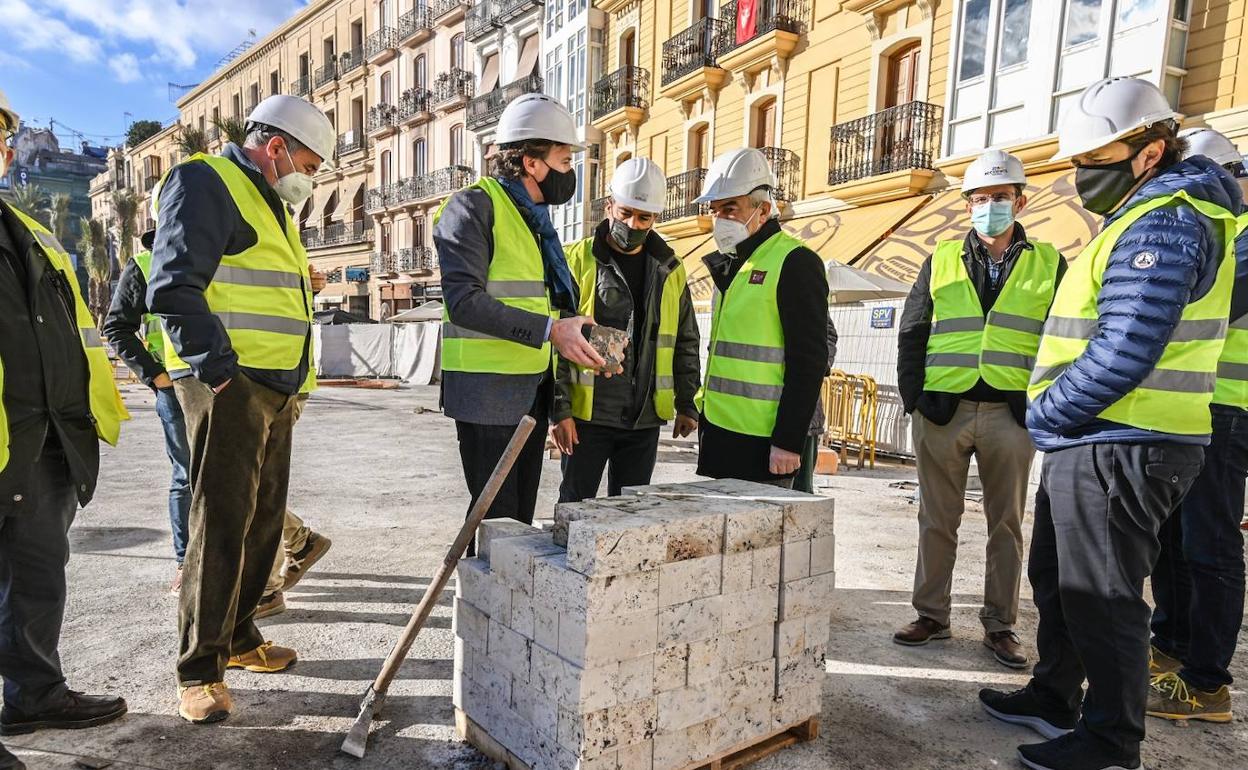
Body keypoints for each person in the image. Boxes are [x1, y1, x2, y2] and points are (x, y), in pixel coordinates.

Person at [979, 77, 1242, 770]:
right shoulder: (1139, 212)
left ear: (1148, 153)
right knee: (1061, 580)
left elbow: (1129, 344)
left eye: (1093, 159)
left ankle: (1109, 741)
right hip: (1097, 437)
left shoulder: (1167, 220)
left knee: (1105, 597)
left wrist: (1047, 413)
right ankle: (1054, 693)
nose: (1079, 175)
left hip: (1123, 438)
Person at [147, 94, 332, 724]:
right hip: (232, 385)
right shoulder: (204, 181)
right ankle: (198, 670)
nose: (313, 177)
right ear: (275, 147)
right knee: (221, 523)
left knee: (261, 522)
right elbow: (171, 286)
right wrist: (221, 373)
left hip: (277, 388)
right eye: (309, 161)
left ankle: (243, 638)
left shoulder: (273, 203)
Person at [894, 149, 1065, 669]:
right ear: (968, 204)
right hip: (944, 410)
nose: (990, 206)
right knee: (936, 520)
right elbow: (913, 332)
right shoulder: (941, 258)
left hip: (1012, 414)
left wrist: (1046, 404)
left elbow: (1065, 337)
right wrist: (914, 402)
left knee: (1006, 525)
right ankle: (932, 615)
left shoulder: (1050, 262)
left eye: (1001, 197)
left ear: (1021, 201)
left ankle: (1001, 625)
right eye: (981, 198)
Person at [104, 223, 334, 608]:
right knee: (199, 481)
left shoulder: (232, 255)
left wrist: (308, 286)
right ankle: (208, 563)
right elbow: (117, 327)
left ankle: (265, 581)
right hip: (182, 388)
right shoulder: (146, 263)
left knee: (240, 483)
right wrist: (157, 376)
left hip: (244, 385)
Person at [0, 88, 129, 767]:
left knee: (38, 575)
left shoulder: (35, 236)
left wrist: (76, 427)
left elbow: (73, 335)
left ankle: (33, 694)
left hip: (42, 440)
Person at [434, 93, 613, 546]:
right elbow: (464, 301)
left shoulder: (534, 220)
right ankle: (487, 613)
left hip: (527, 392)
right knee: (497, 528)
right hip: (486, 396)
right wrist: (551, 331)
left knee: (517, 528)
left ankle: (507, 613)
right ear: (531, 162)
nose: (569, 170)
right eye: (563, 157)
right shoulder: (473, 207)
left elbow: (543, 306)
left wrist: (582, 334)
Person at [1146, 126, 1248, 724]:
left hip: (1228, 409)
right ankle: (1172, 643)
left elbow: (1202, 300)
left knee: (1209, 544)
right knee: (1174, 537)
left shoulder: (1235, 237)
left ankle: (1208, 682)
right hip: (1189, 407)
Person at [551, 158, 700, 500]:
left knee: (630, 515)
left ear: (655, 218)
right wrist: (559, 411)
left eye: (643, 217)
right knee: (576, 507)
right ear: (609, 207)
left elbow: (685, 339)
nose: (633, 223)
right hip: (588, 417)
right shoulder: (575, 260)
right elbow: (556, 341)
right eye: (625, 213)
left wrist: (687, 402)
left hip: (644, 418)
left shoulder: (670, 269)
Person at [694, 148, 829, 487]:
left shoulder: (795, 262)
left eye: (730, 209)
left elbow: (809, 360)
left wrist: (787, 440)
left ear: (763, 209)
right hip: (721, 432)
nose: (719, 219)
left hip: (765, 443)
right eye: (715, 210)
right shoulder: (735, 262)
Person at [793, 315, 838, 494]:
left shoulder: (802, 287)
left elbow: (828, 334)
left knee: (798, 495)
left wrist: (817, 366)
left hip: (802, 414)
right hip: (749, 417)